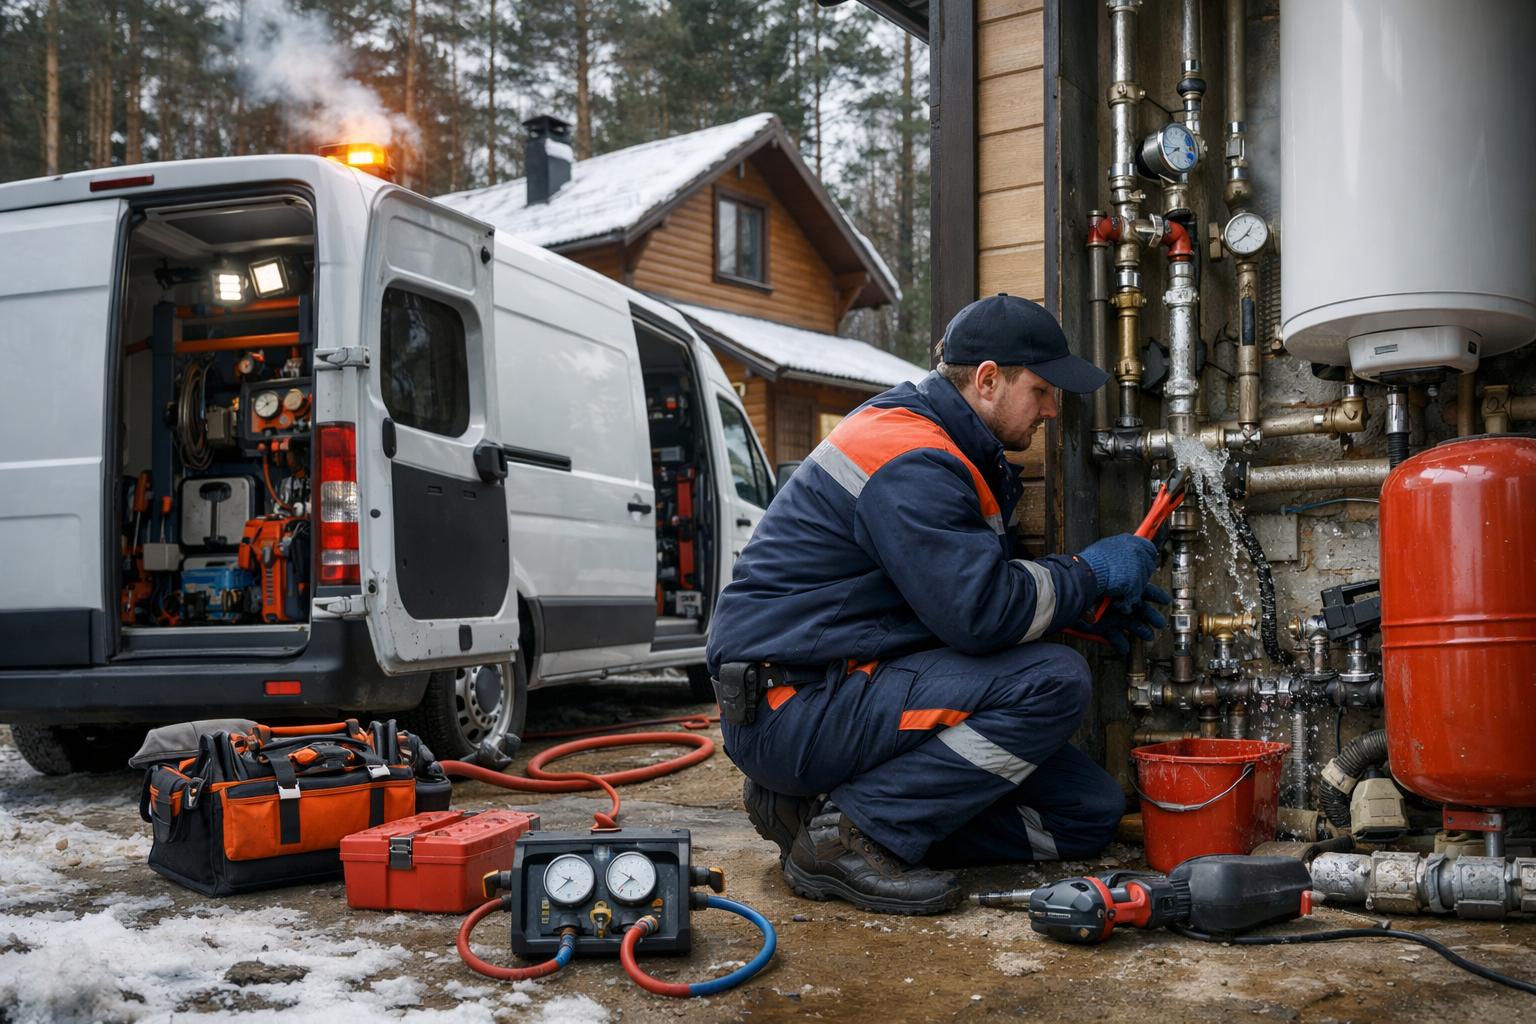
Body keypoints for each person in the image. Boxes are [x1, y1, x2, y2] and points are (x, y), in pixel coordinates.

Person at [704, 293, 1168, 916]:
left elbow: (943, 597)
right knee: (1053, 681)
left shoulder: (943, 447)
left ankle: (814, 813)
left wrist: (1077, 614)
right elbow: (979, 614)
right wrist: (1089, 573)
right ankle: (850, 838)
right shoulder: (910, 456)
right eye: (1042, 390)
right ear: (986, 380)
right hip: (793, 706)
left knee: (1084, 814)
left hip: (835, 688)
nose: (1053, 410)